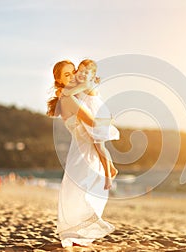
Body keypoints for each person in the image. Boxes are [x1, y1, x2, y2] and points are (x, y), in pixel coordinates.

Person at [47, 60, 117, 248]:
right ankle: (78, 234)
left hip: (82, 151)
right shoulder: (68, 97)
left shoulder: (73, 95)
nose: (72, 77)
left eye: (73, 73)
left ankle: (79, 236)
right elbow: (93, 122)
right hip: (84, 154)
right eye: (67, 75)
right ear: (59, 80)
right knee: (83, 193)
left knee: (81, 192)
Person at [57, 59, 119, 190]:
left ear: (92, 76)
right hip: (95, 114)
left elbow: (68, 93)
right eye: (80, 70)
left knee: (100, 146)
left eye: (86, 72)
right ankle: (111, 170)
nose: (82, 74)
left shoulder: (86, 84)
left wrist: (63, 92)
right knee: (98, 145)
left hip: (98, 114)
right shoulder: (83, 83)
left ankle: (109, 175)